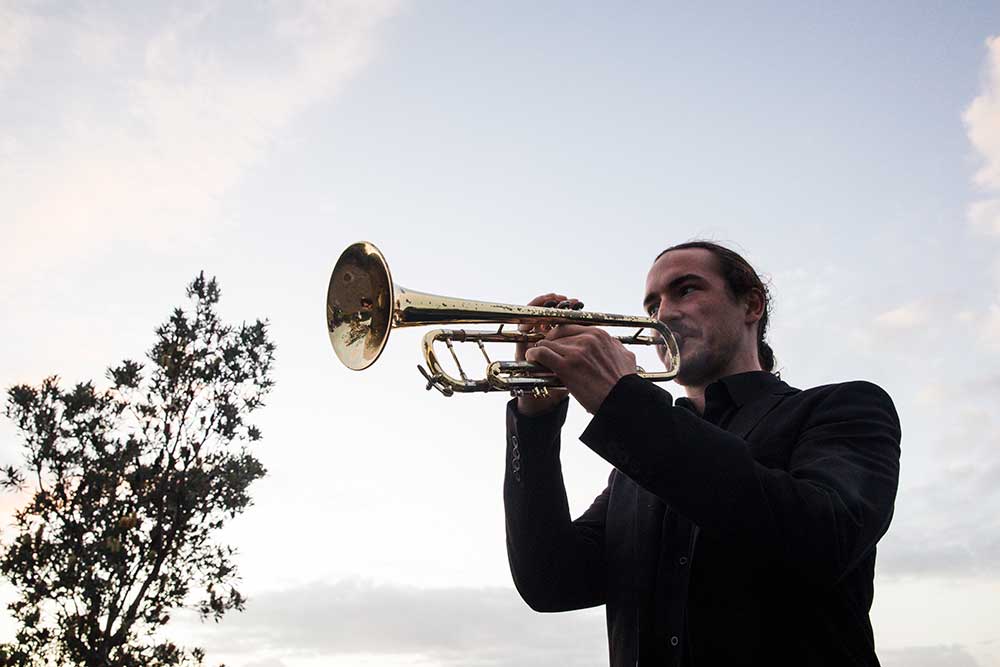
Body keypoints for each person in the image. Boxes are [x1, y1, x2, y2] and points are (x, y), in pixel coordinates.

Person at [503, 241, 901, 666]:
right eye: (653, 305)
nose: (662, 315)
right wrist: (535, 416)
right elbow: (551, 582)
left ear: (751, 305)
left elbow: (824, 540)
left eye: (686, 290)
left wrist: (625, 403)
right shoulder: (634, 467)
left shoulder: (845, 407)